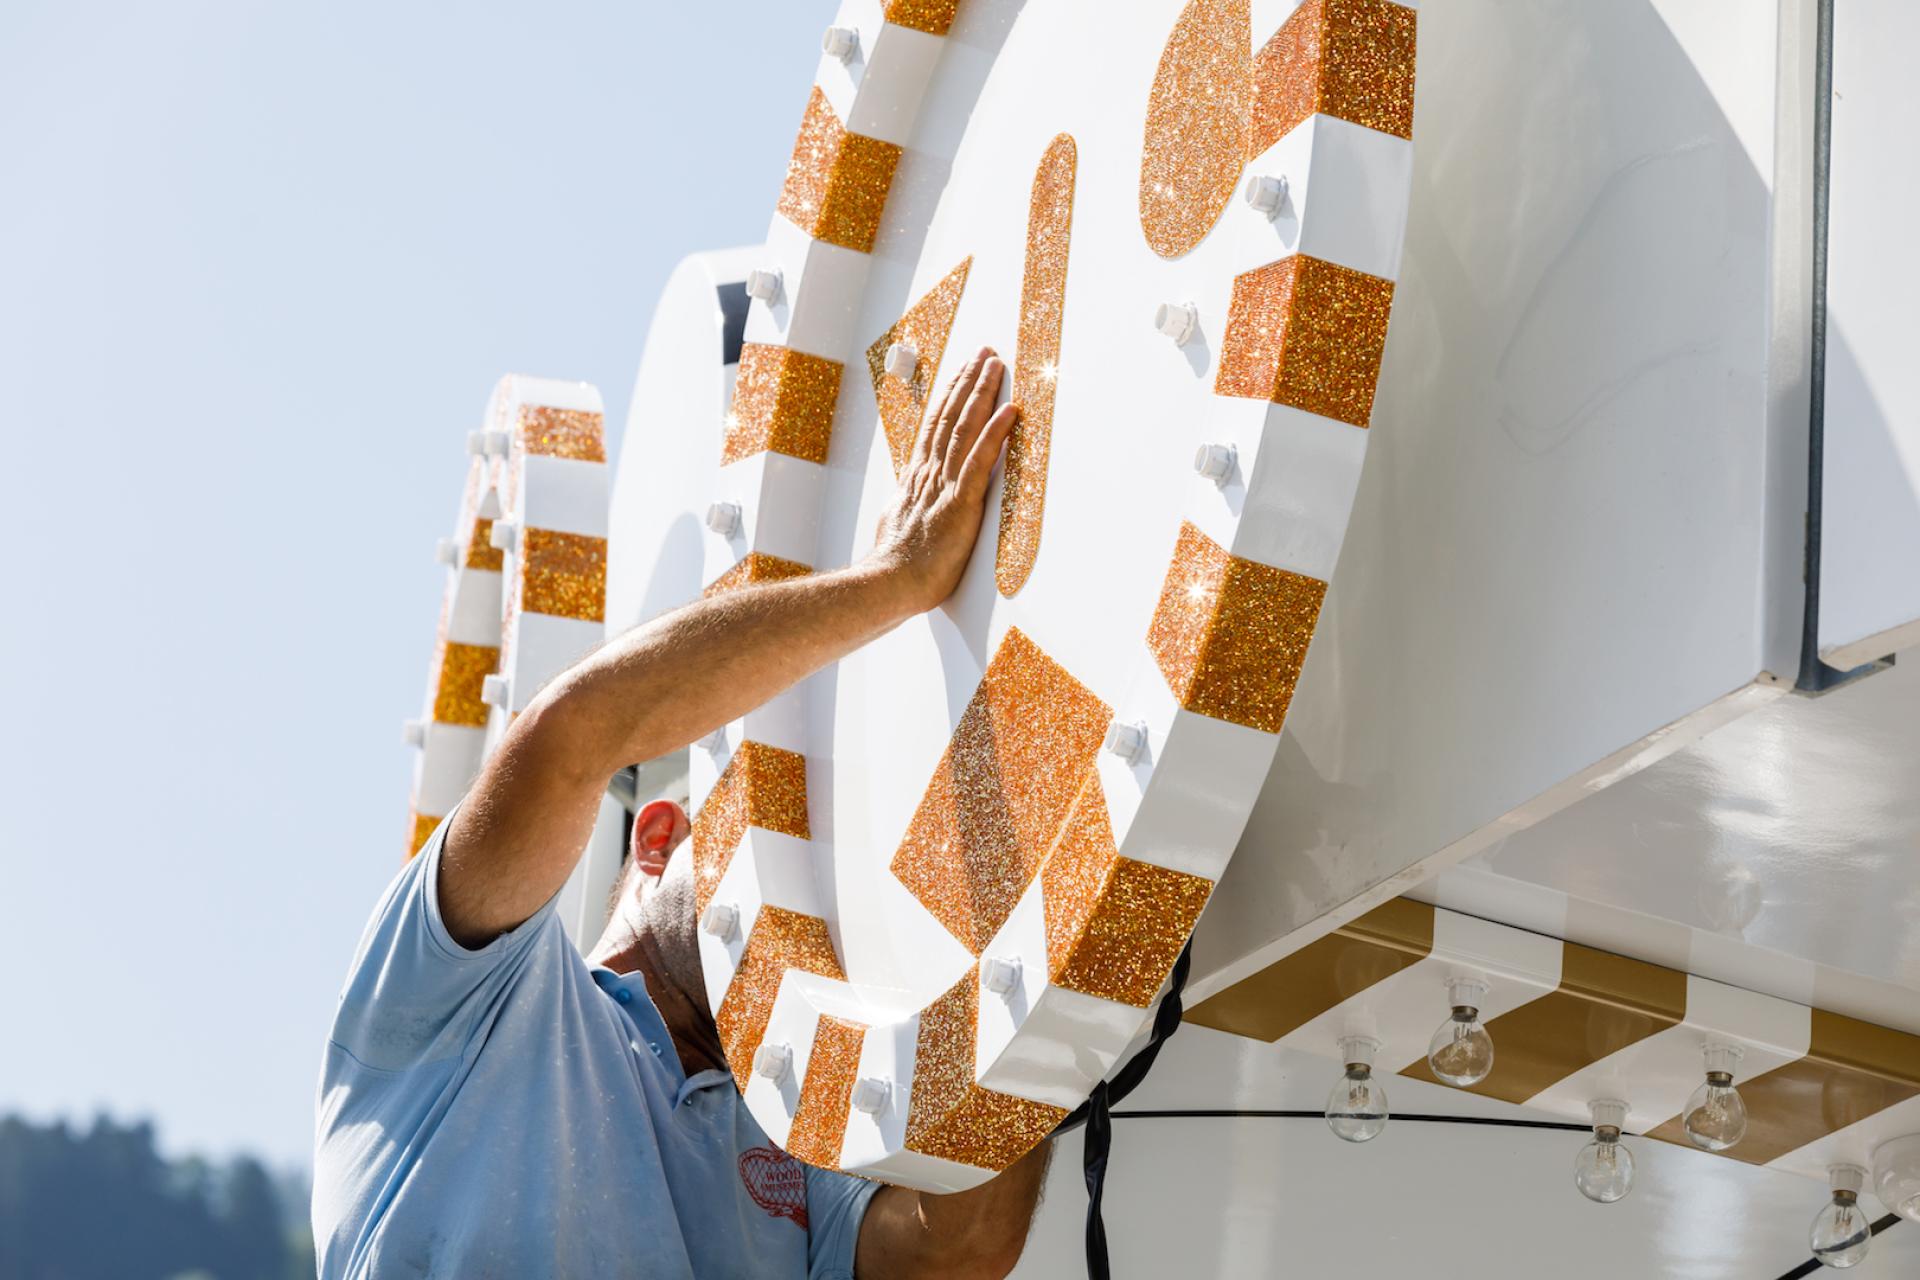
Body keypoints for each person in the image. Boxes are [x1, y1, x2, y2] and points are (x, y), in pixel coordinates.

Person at [313, 351, 1051, 1278]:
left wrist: (1028, 914)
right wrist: (896, 582)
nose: (809, 883)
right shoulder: (470, 999)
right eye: (776, 828)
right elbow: (575, 734)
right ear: (657, 839)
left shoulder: (790, 1141)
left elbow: (959, 1247)